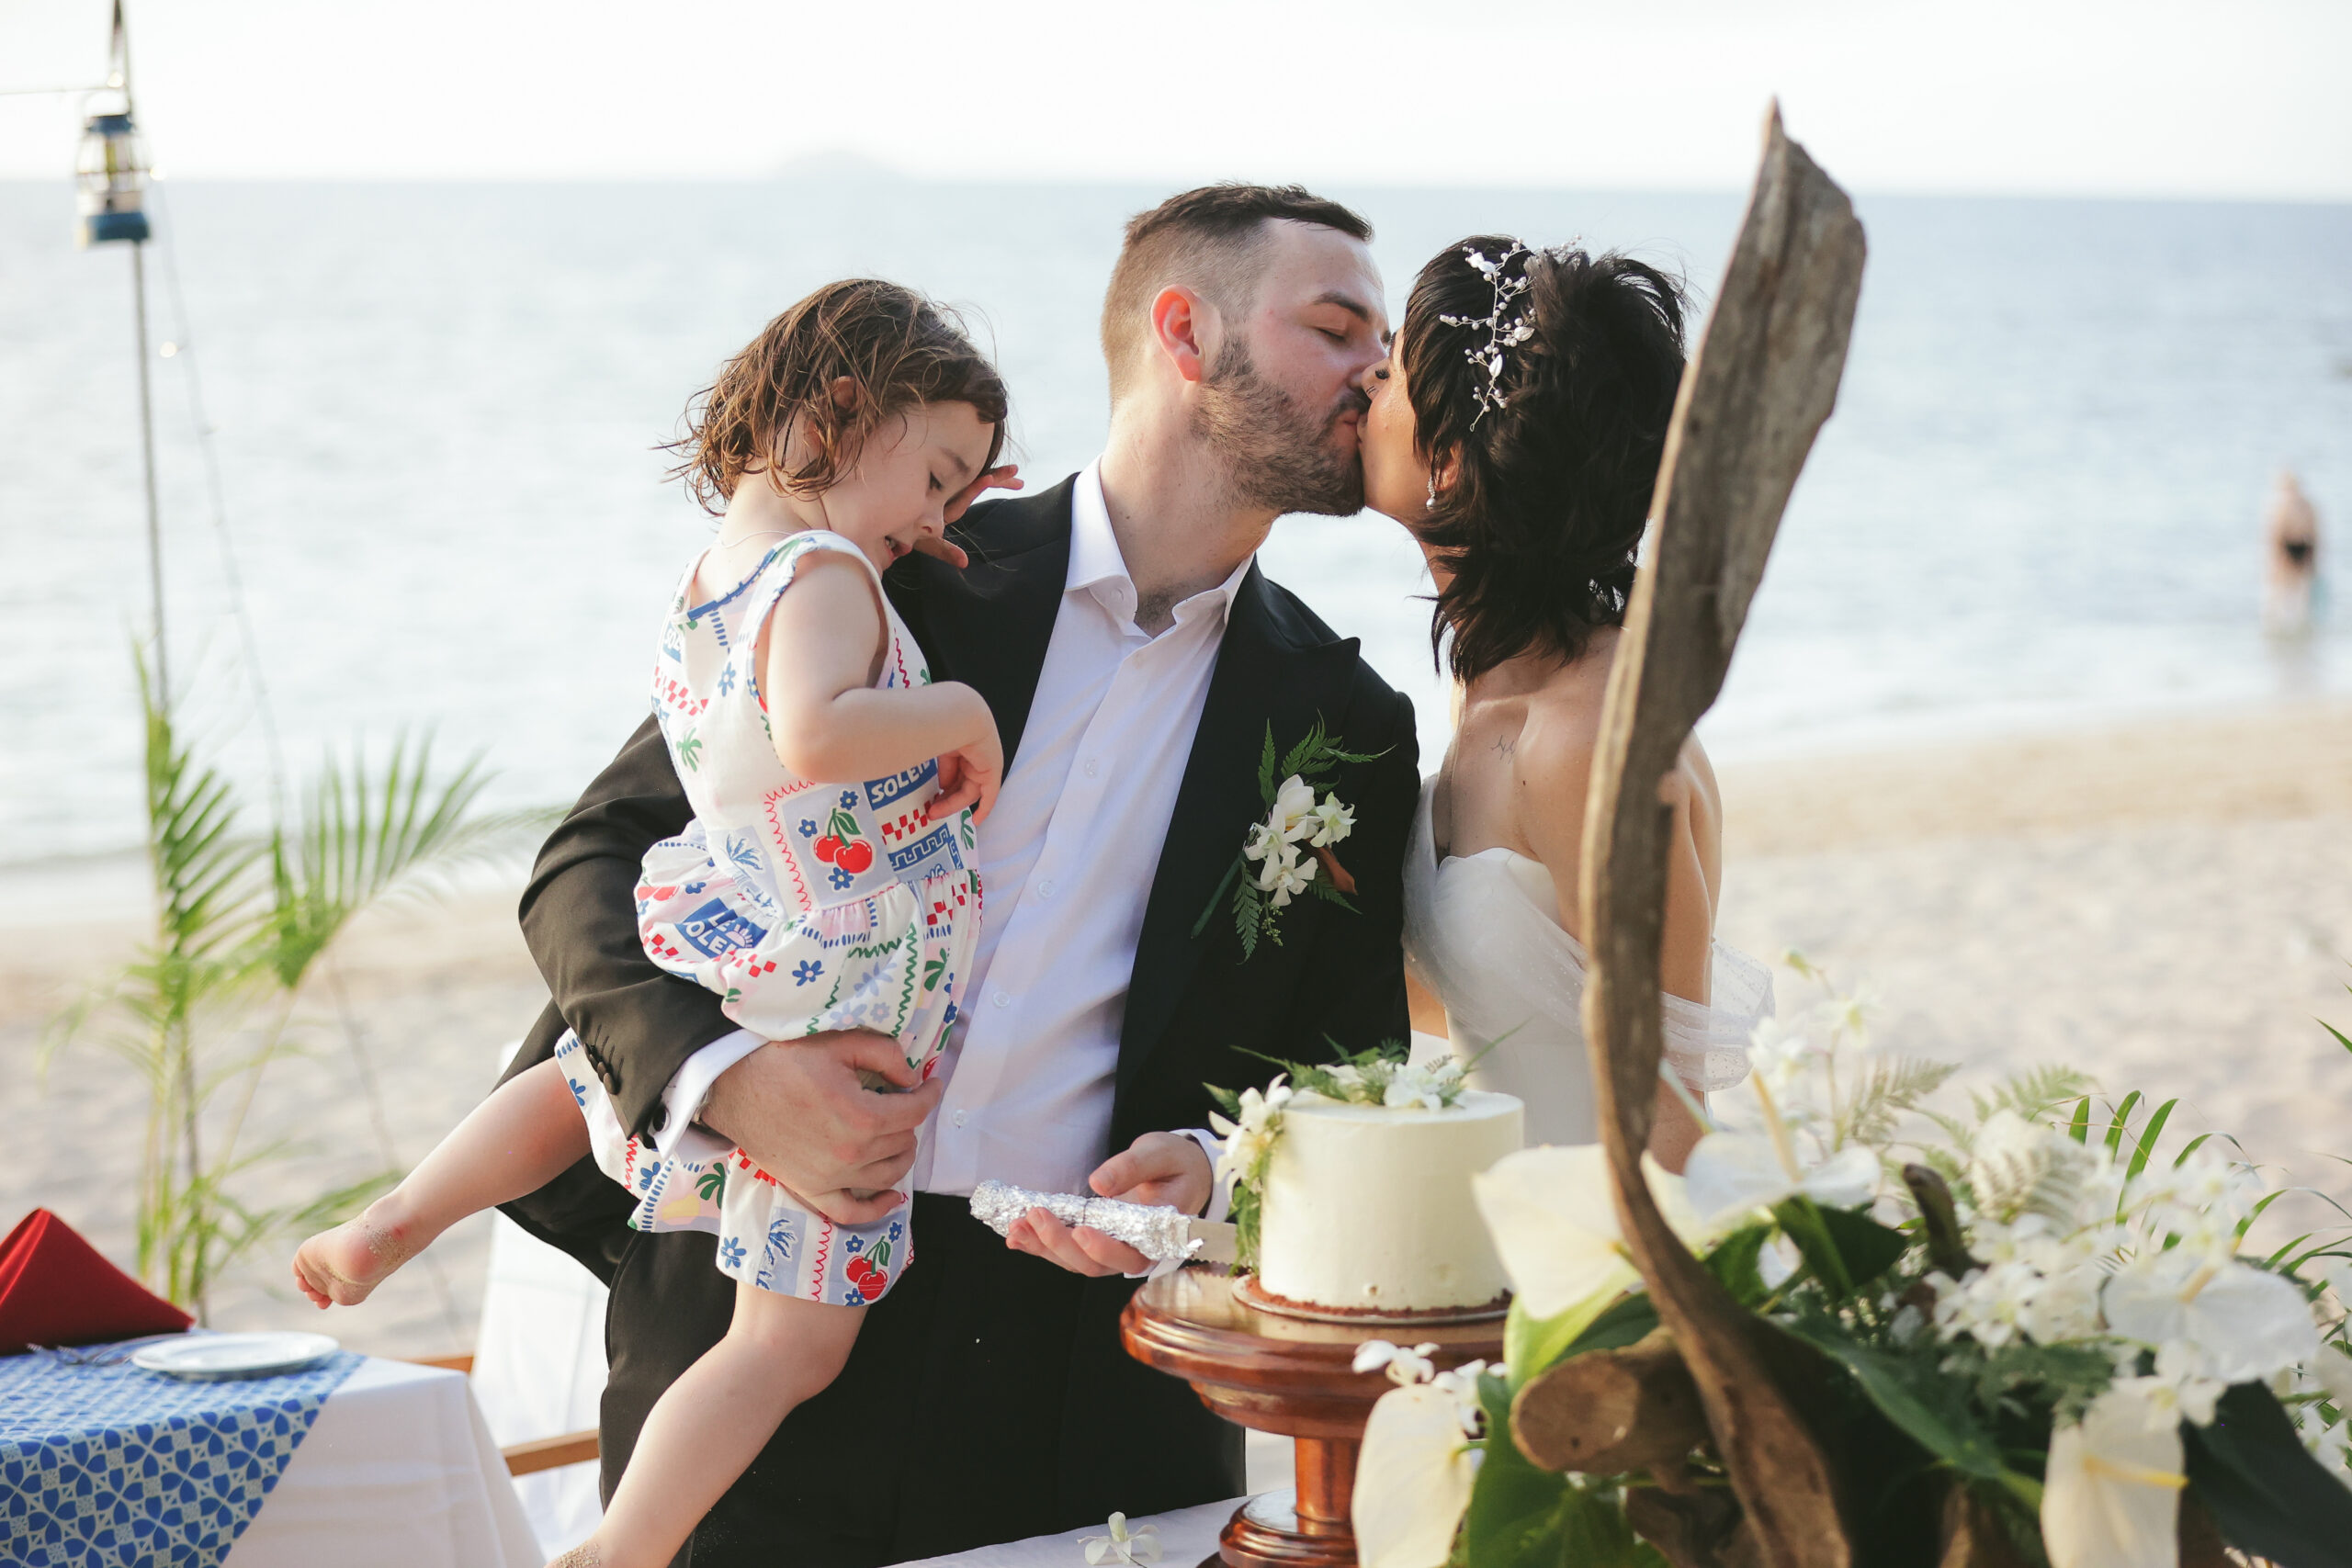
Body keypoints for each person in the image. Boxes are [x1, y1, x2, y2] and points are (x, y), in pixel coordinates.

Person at [497, 185, 1419, 1563]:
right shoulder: (896, 568)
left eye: (1386, 344)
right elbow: (590, 858)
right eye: (1338, 327)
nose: (1377, 375)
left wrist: (1216, 1169)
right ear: (1183, 331)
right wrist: (730, 1076)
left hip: (1090, 1402)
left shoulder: (1347, 720)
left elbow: (1352, 1061)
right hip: (756, 1330)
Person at [292, 278, 1015, 1568]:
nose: (942, 520)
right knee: (787, 1343)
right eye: (942, 475)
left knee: (584, 1082)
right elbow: (817, 729)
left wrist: (913, 514)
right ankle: (625, 1545)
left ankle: (404, 1210)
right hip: (835, 959)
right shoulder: (832, 571)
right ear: (847, 407)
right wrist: (958, 707)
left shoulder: (717, 576)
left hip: (741, 920)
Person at [1358, 237, 1772, 1168]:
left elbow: (1669, 1110)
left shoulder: (1583, 740)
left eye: (1389, 375)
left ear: (1451, 463)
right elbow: (1507, 998)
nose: (1361, 388)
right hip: (1491, 1247)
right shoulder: (1495, 683)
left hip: (1588, 1267)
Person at [2265, 468, 2323, 636]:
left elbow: (2276, 537)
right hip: (2298, 549)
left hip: (2293, 550)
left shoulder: (2281, 508)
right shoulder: (2305, 506)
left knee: (2292, 596)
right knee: (2292, 596)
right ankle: (2289, 631)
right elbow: (2314, 536)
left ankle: (2289, 630)